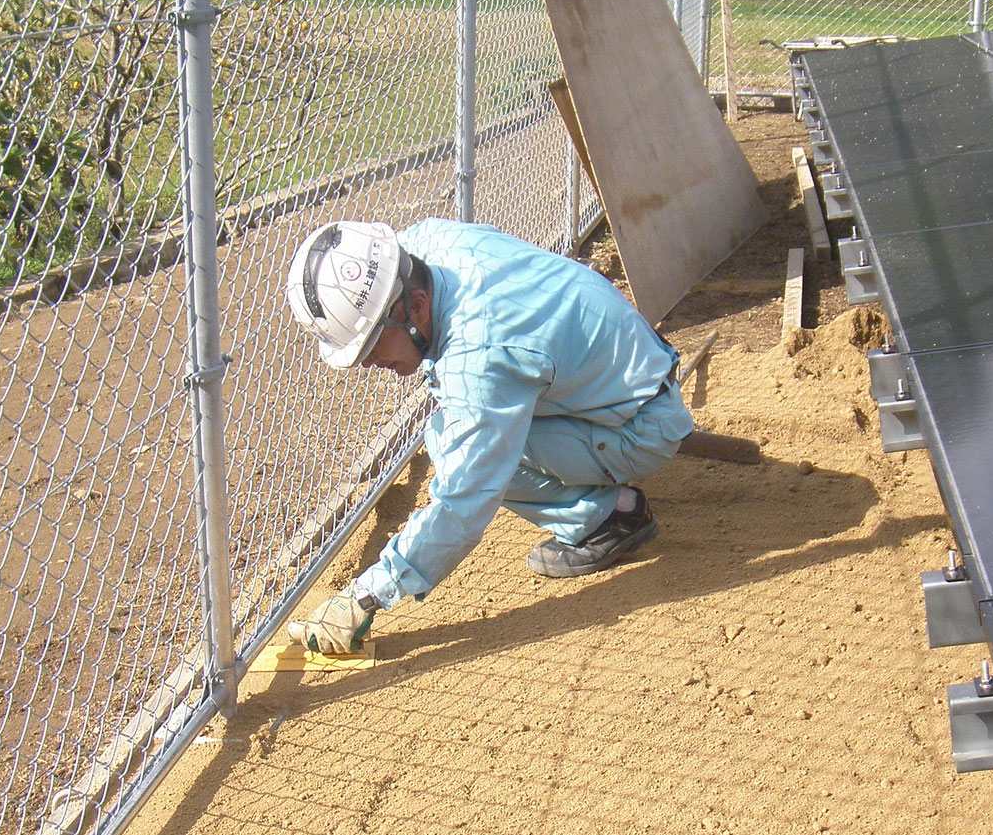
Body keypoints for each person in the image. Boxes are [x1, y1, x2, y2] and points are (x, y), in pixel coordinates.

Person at [282, 218, 694, 655]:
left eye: (371, 347)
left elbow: (464, 497)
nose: (368, 363)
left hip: (641, 426)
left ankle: (611, 518)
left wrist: (364, 596)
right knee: (466, 428)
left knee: (451, 441)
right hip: (628, 373)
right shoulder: (424, 247)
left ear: (416, 308)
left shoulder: (480, 354)